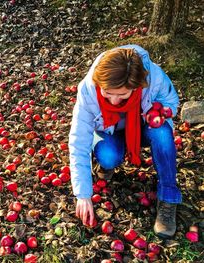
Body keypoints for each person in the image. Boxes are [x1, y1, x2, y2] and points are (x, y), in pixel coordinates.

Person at [69, 44, 182, 239]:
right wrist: (83, 194)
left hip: (141, 128)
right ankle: (107, 162)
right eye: (107, 93)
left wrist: (160, 112)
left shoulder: (153, 78)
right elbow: (79, 141)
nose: (114, 101)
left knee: (162, 133)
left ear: (138, 85)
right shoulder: (88, 90)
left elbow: (171, 101)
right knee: (108, 156)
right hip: (109, 132)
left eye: (122, 94)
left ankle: (168, 197)